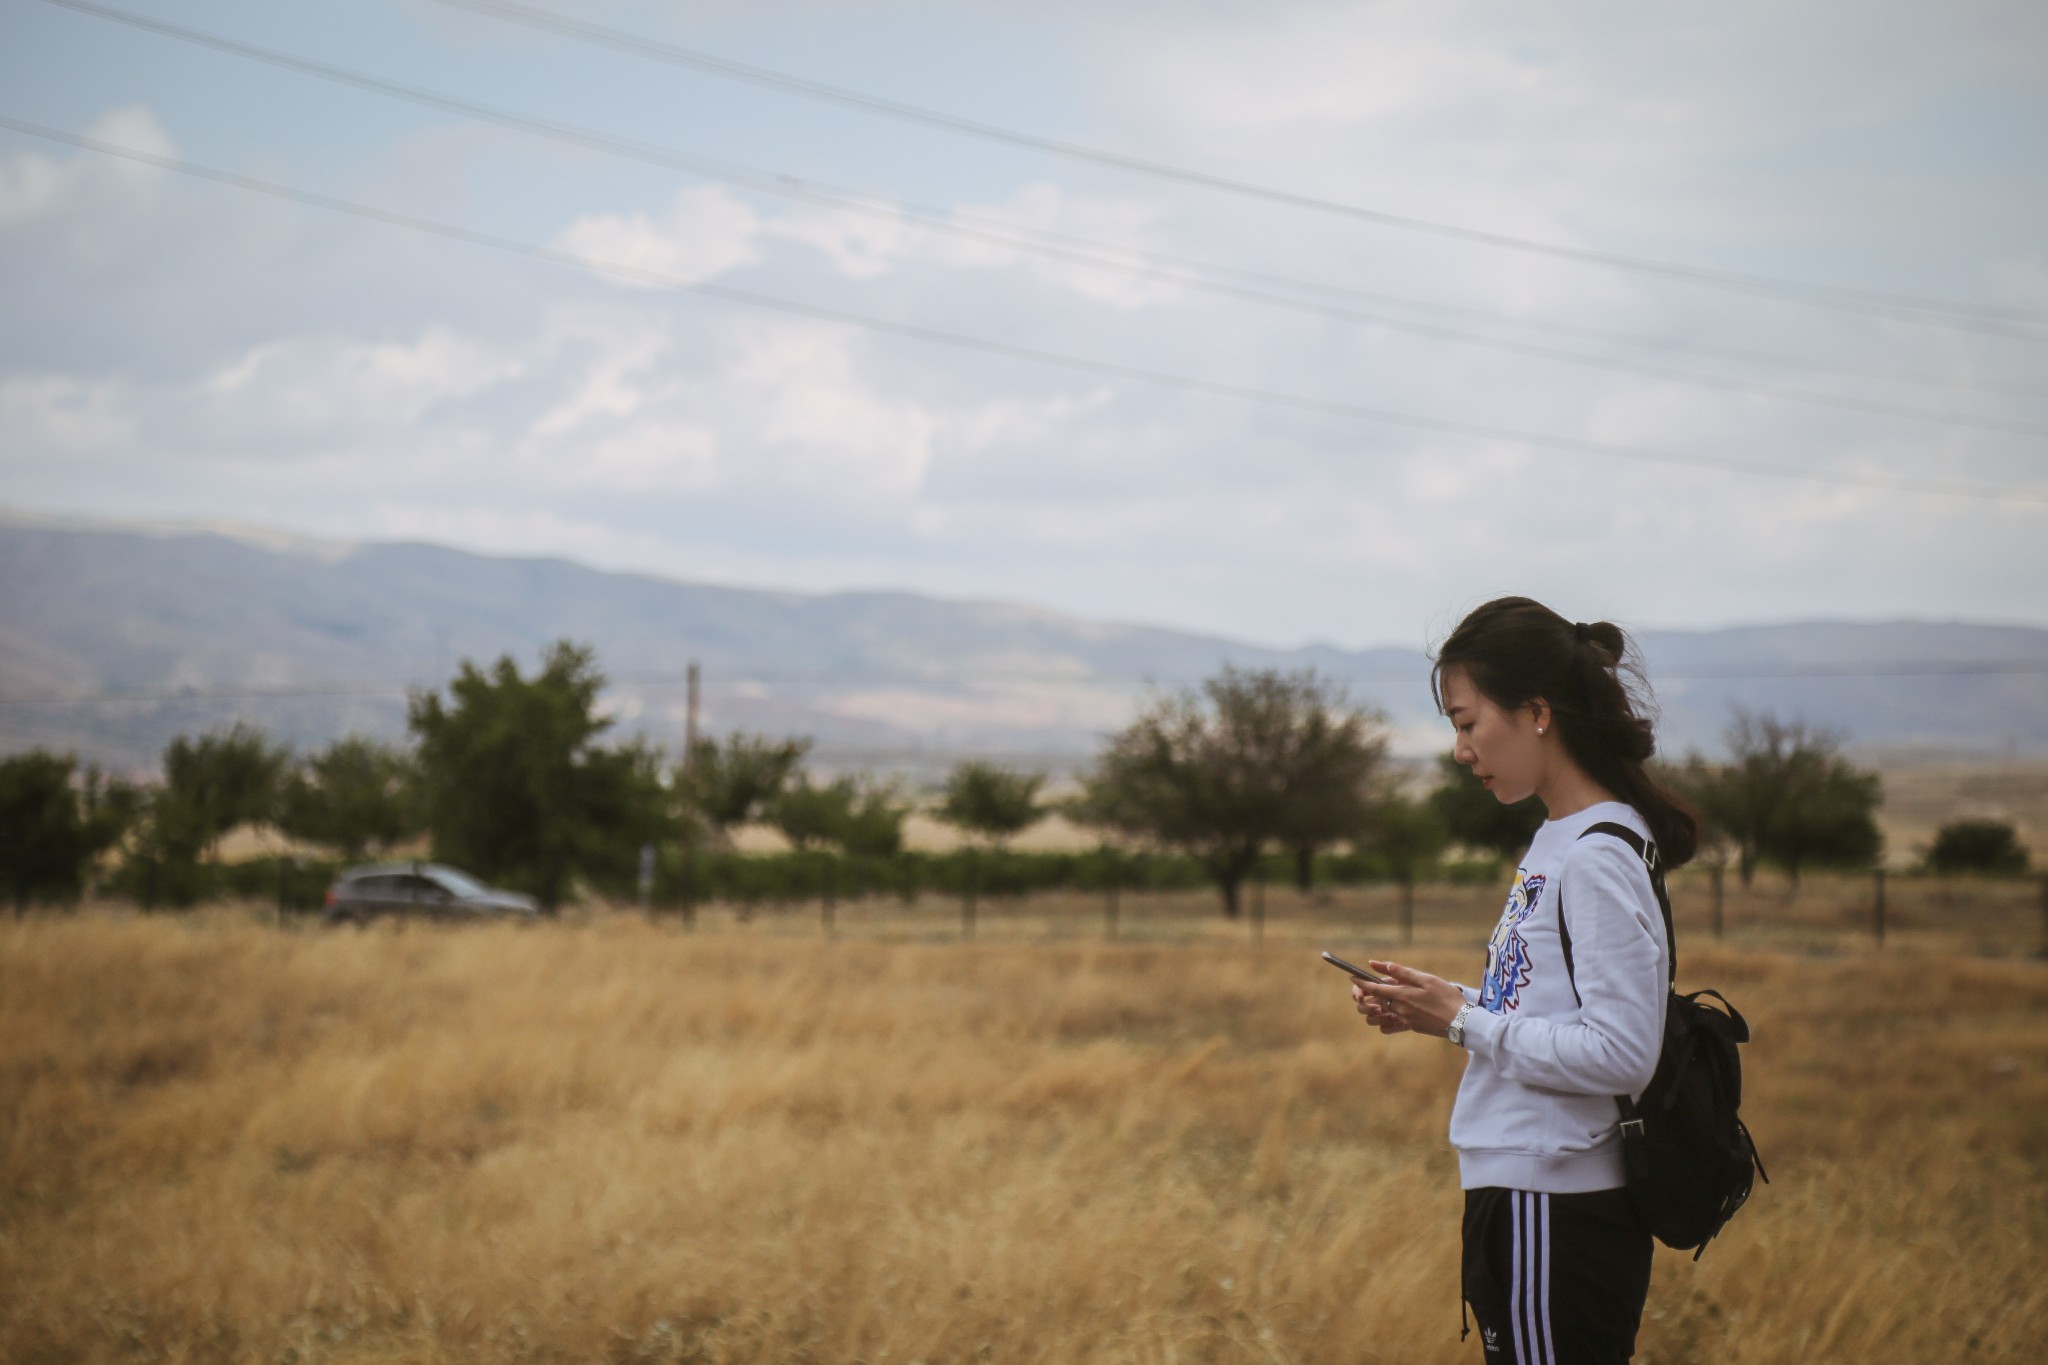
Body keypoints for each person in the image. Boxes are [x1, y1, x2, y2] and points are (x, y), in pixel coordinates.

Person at [1346, 597, 1698, 1364]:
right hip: (1530, 1196)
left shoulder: (1596, 854)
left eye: (1468, 722)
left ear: (1537, 711)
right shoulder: (1559, 837)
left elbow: (1619, 1053)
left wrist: (1463, 1023)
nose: (1460, 748)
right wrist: (1440, 1005)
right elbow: (1549, 1012)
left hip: (1558, 1203)